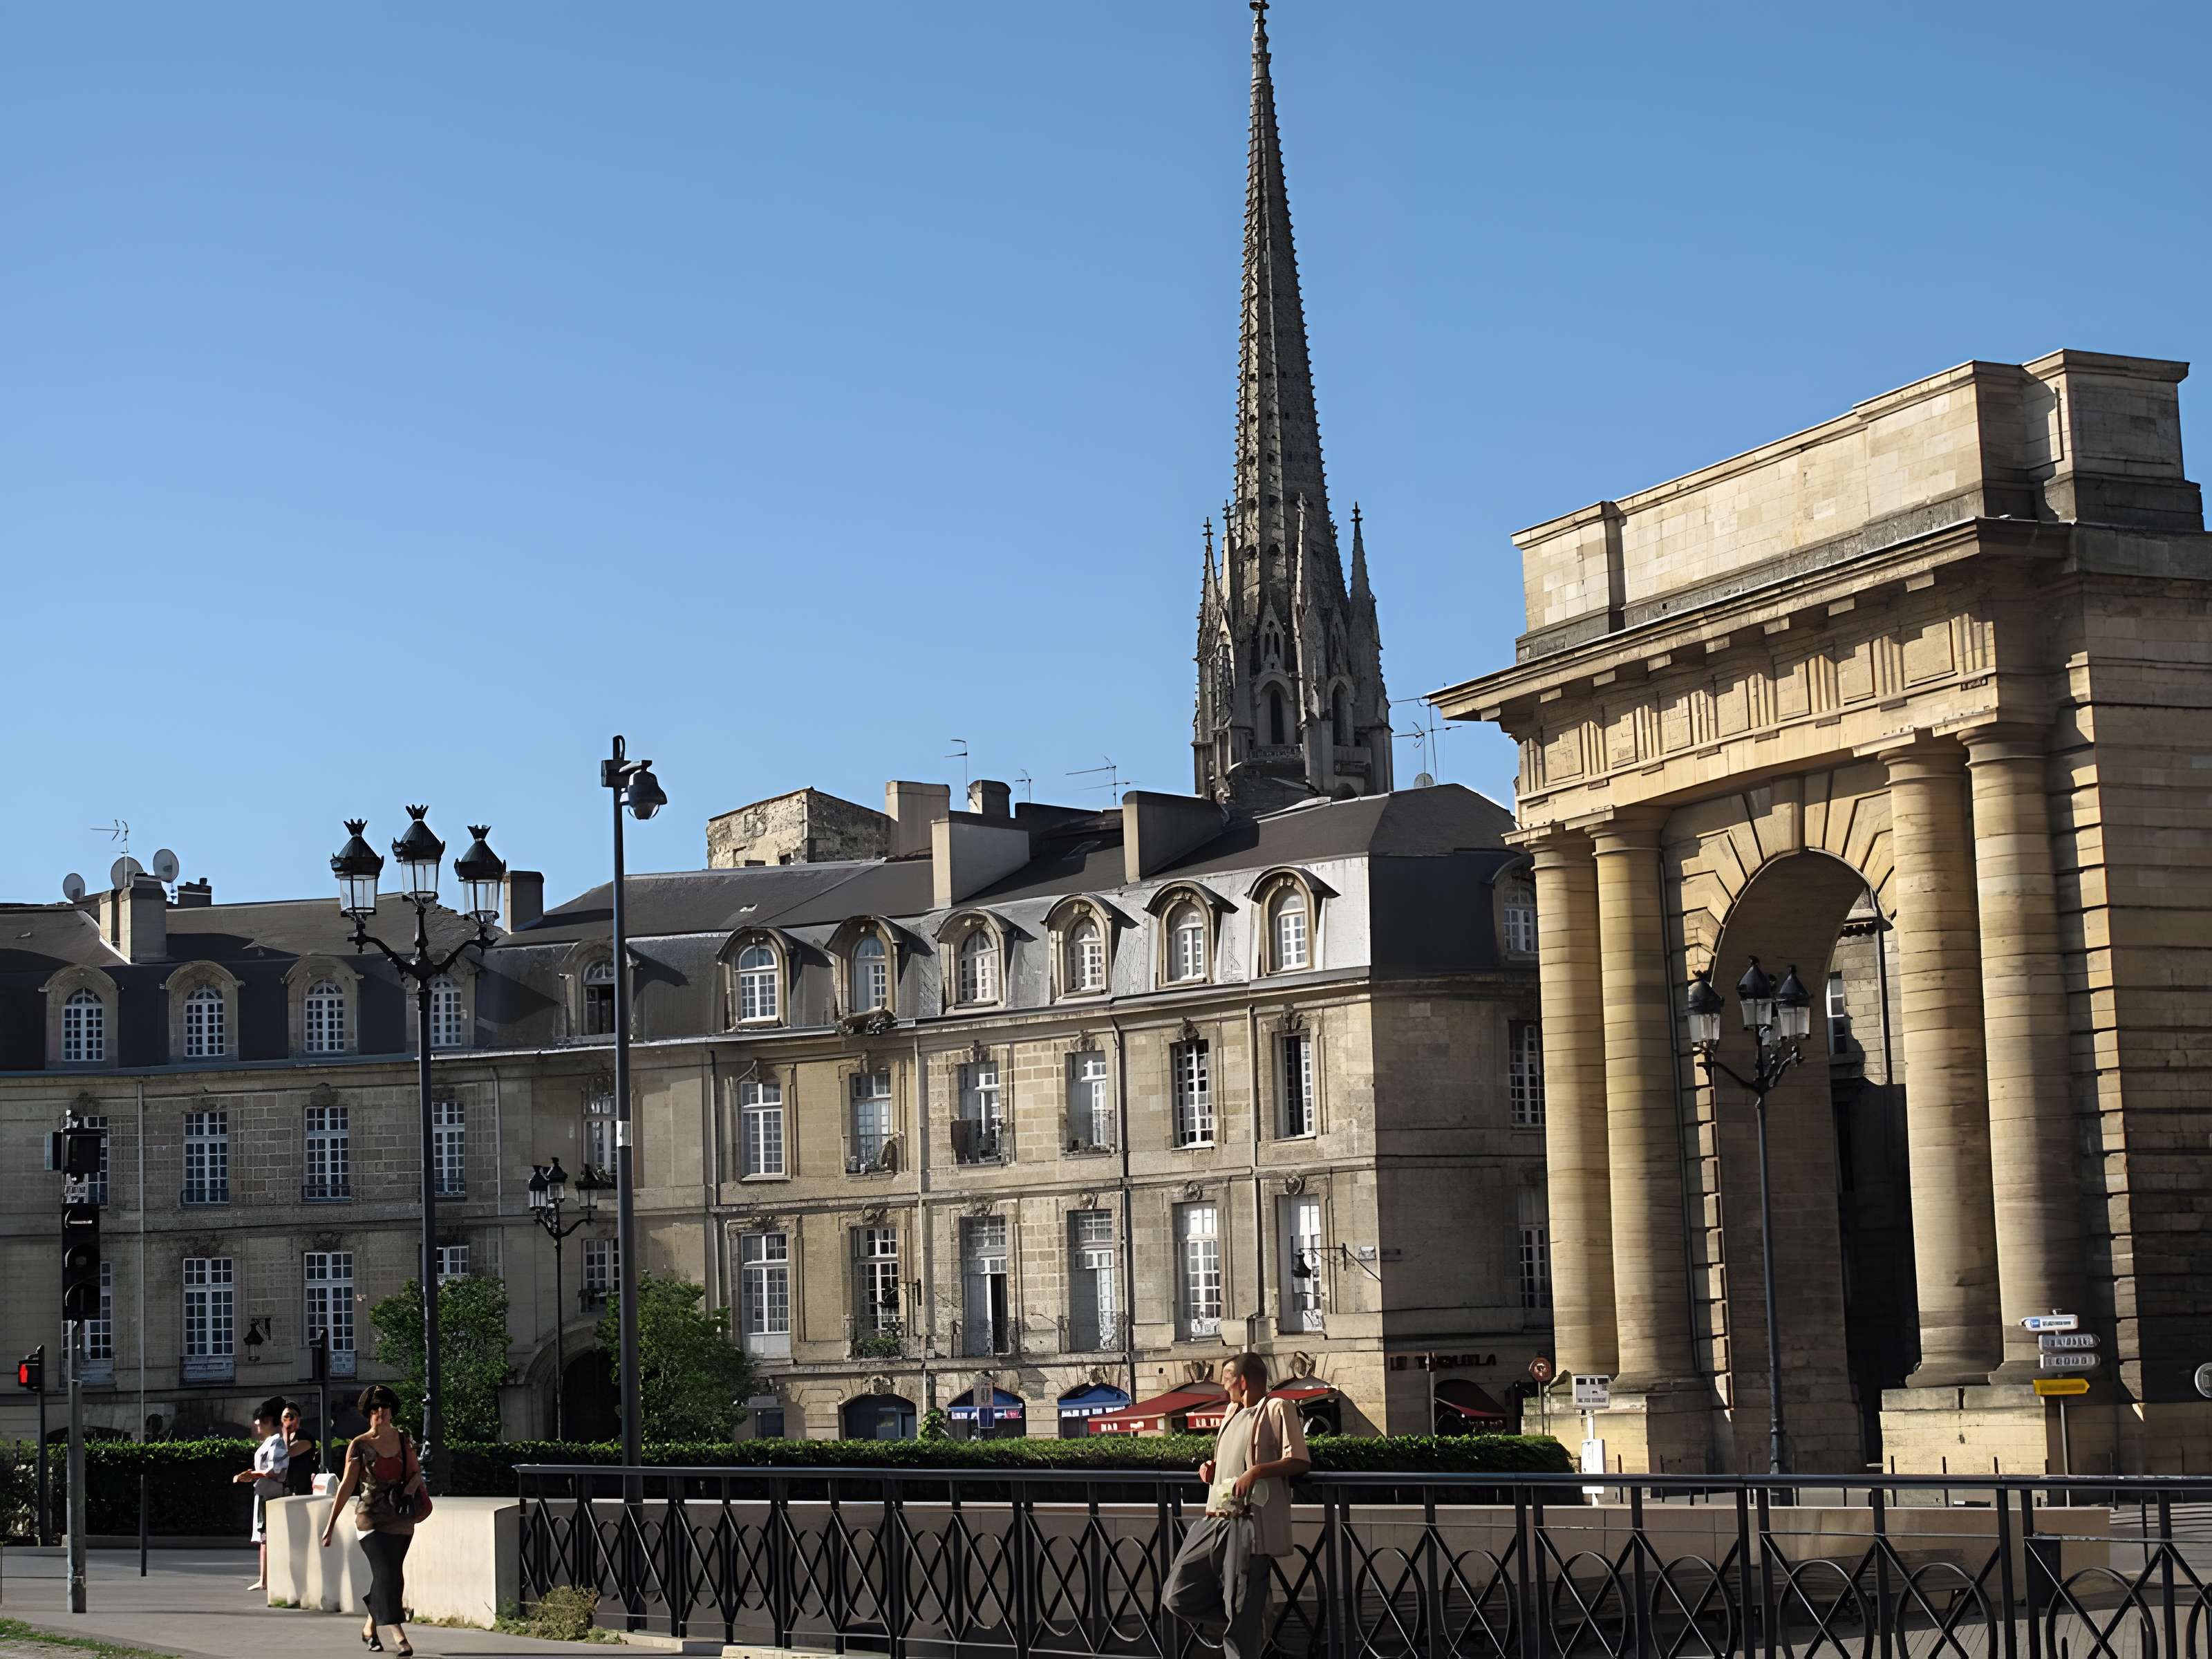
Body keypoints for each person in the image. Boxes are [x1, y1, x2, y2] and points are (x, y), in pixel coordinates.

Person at [1163, 1353, 1312, 1659]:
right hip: (1213, 1521)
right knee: (1176, 1595)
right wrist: (1212, 1467)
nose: (1223, 1385)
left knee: (1240, 1609)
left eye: (1227, 1378)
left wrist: (1256, 1472)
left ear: (1242, 1381)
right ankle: (1254, 1622)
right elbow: (1232, 1459)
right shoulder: (1231, 1411)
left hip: (1248, 1524)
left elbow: (1299, 1460)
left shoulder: (1277, 1408)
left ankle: (1247, 1625)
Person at [319, 1385, 425, 1656]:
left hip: (400, 1518)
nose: (381, 1412)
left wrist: (410, 1489)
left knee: (389, 1575)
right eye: (375, 1408)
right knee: (388, 1574)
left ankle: (370, 1627)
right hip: (370, 1520)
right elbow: (346, 1485)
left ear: (392, 1411)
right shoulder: (360, 1445)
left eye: (385, 1407)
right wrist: (330, 1525)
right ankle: (399, 1636)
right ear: (368, 1413)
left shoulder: (404, 1439)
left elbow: (416, 1473)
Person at [232, 1396, 289, 1591]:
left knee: (267, 1538)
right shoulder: (271, 1442)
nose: (257, 1428)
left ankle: (266, 1580)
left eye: (259, 1424)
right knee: (265, 1539)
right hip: (266, 1494)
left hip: (272, 1496)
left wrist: (252, 1475)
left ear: (268, 1421)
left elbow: (277, 1470)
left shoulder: (277, 1442)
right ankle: (264, 1579)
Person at [282, 1400, 321, 1498]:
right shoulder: (284, 1438)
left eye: (292, 1416)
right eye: (286, 1417)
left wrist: (286, 1431)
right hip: (287, 1490)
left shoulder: (305, 1437)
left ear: (299, 1418)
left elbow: (289, 1452)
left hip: (303, 1492)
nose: (289, 1420)